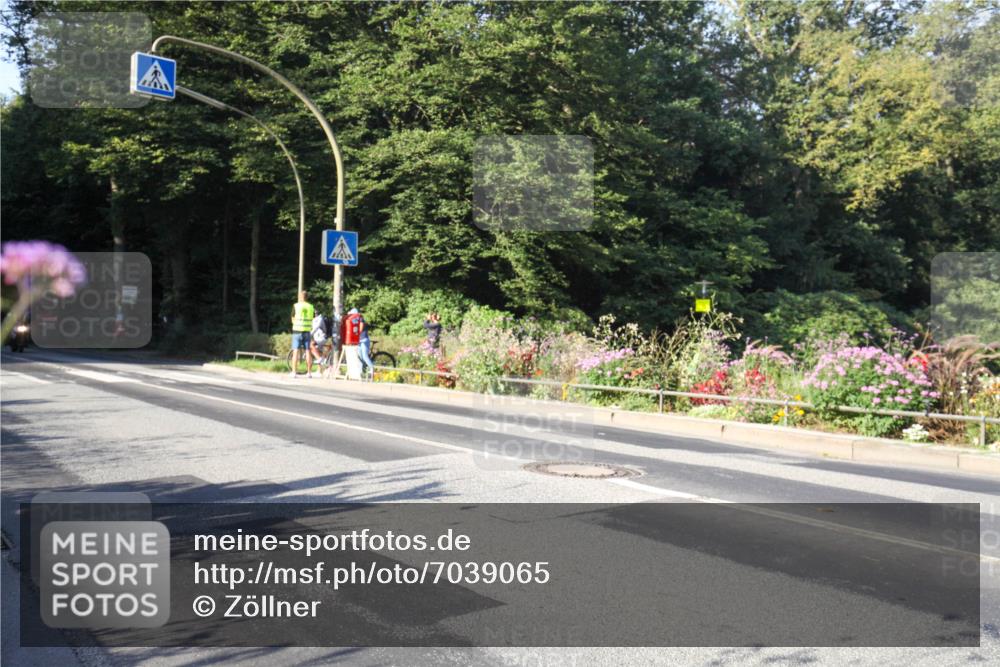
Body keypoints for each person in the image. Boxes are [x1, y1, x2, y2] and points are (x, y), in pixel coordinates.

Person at [289, 291, 315, 377]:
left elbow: (292, 317)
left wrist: (295, 323)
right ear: (307, 297)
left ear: (300, 297)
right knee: (308, 351)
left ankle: (294, 372)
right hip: (307, 330)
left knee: (296, 351)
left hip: (297, 330)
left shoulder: (296, 306)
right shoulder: (311, 307)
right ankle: (309, 373)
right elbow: (313, 318)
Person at [357, 310, 375, 379]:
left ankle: (372, 370)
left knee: (364, 356)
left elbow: (360, 329)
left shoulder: (361, 320)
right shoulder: (356, 320)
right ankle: (361, 373)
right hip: (359, 342)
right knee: (360, 358)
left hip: (364, 340)